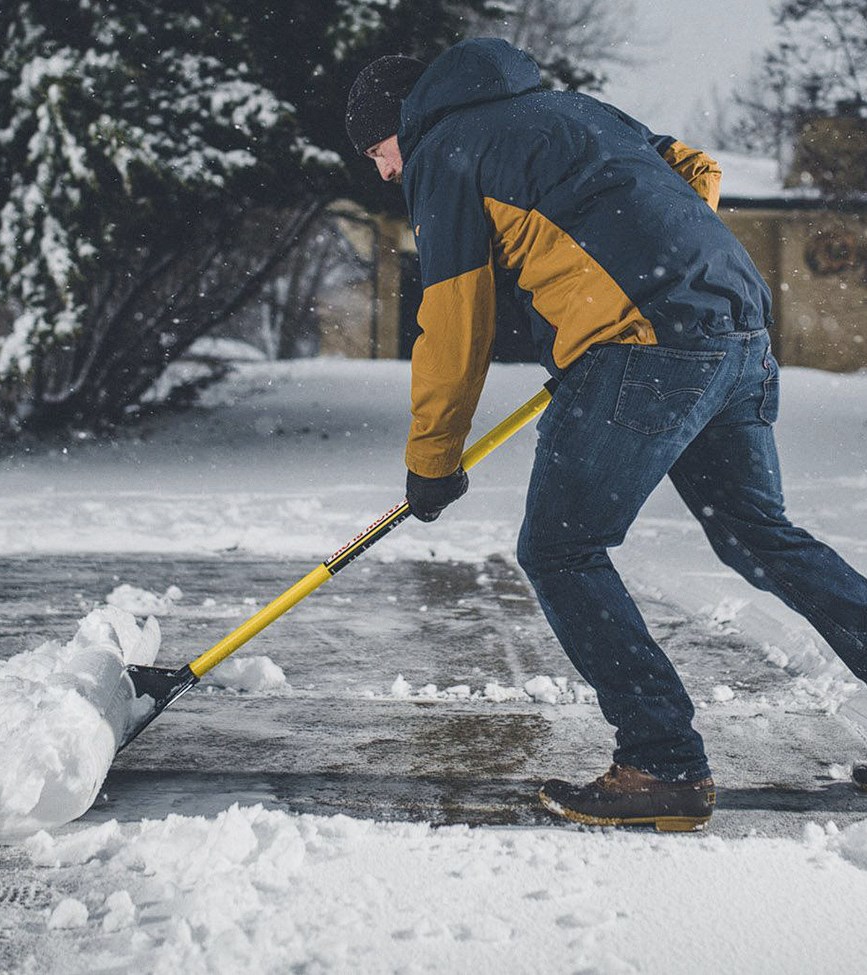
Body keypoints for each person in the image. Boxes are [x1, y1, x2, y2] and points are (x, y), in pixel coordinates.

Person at [345, 37, 867, 831]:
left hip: (645, 346)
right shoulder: (573, 110)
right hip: (736, 330)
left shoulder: (443, 151)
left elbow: (453, 322)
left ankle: (661, 763)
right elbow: (694, 169)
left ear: (401, 122)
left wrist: (431, 460)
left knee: (560, 549)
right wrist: (650, 271)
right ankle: (664, 758)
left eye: (376, 151)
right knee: (758, 535)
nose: (384, 171)